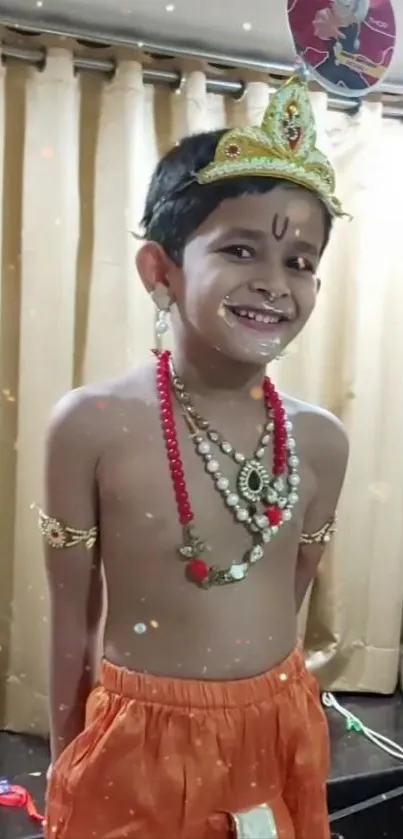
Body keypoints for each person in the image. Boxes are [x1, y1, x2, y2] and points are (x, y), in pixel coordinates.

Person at [41, 73, 349, 839]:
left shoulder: (318, 440)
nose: (275, 285)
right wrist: (64, 754)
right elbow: (70, 619)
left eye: (301, 261)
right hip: (139, 737)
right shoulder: (91, 425)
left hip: (277, 723)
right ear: (160, 271)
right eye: (241, 248)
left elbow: (292, 589)